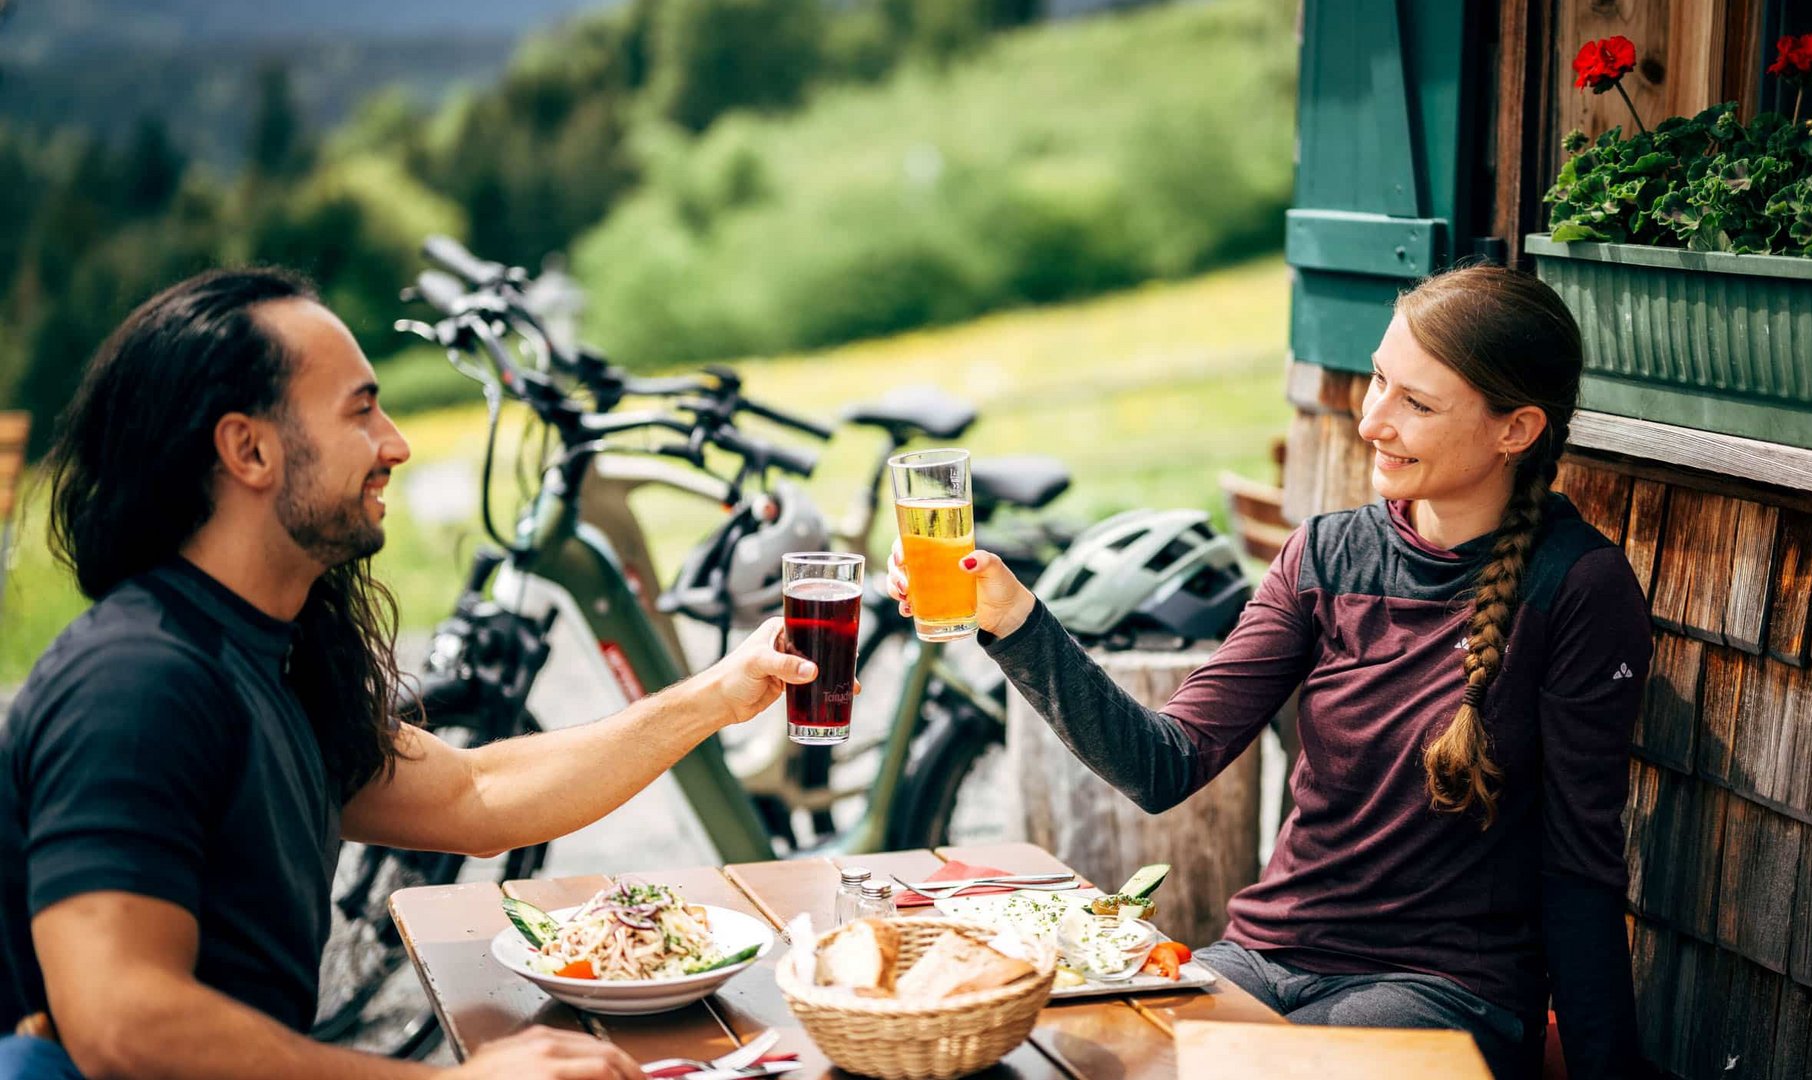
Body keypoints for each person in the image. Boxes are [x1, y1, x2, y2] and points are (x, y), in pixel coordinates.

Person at [0, 268, 822, 1079]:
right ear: (248, 448)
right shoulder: (139, 682)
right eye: (361, 411)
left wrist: (720, 692)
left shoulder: (264, 660)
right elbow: (121, 1025)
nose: (395, 443)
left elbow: (477, 795)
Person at [890, 265, 1650, 1079]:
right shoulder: (1325, 553)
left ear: (1517, 429)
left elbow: (1580, 867)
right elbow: (1164, 761)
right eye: (1379, 381)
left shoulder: (1578, 588)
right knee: (1064, 1061)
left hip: (1440, 990)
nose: (1372, 422)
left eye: (1416, 404)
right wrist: (1014, 621)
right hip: (1263, 959)